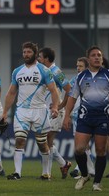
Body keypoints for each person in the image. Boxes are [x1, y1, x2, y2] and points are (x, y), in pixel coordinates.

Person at [63, 46, 109, 191]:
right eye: (94, 55)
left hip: (102, 118)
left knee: (101, 151)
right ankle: (85, 175)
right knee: (79, 150)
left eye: (99, 55)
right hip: (84, 118)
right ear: (89, 59)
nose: (97, 57)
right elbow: (72, 97)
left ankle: (97, 183)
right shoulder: (81, 76)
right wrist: (66, 116)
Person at [2, 42, 60, 181]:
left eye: (28, 52)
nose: (26, 54)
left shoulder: (44, 70)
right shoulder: (17, 71)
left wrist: (56, 107)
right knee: (19, 140)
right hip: (22, 111)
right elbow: (11, 93)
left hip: (39, 110)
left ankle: (46, 173)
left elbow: (53, 90)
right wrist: (5, 112)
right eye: (24, 52)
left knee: (41, 143)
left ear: (35, 53)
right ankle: (17, 173)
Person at [37, 47, 72, 179]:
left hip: (55, 112)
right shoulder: (43, 71)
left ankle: (47, 174)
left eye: (40, 57)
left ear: (46, 58)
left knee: (46, 140)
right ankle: (64, 164)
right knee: (46, 142)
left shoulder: (56, 72)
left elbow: (69, 89)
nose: (38, 59)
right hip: (44, 111)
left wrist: (61, 106)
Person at [68, 57, 95, 179]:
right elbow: (70, 97)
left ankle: (83, 169)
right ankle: (90, 170)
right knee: (83, 145)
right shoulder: (75, 80)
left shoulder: (92, 80)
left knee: (82, 144)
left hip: (88, 115)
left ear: (87, 67)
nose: (78, 68)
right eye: (77, 66)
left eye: (81, 66)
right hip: (76, 115)